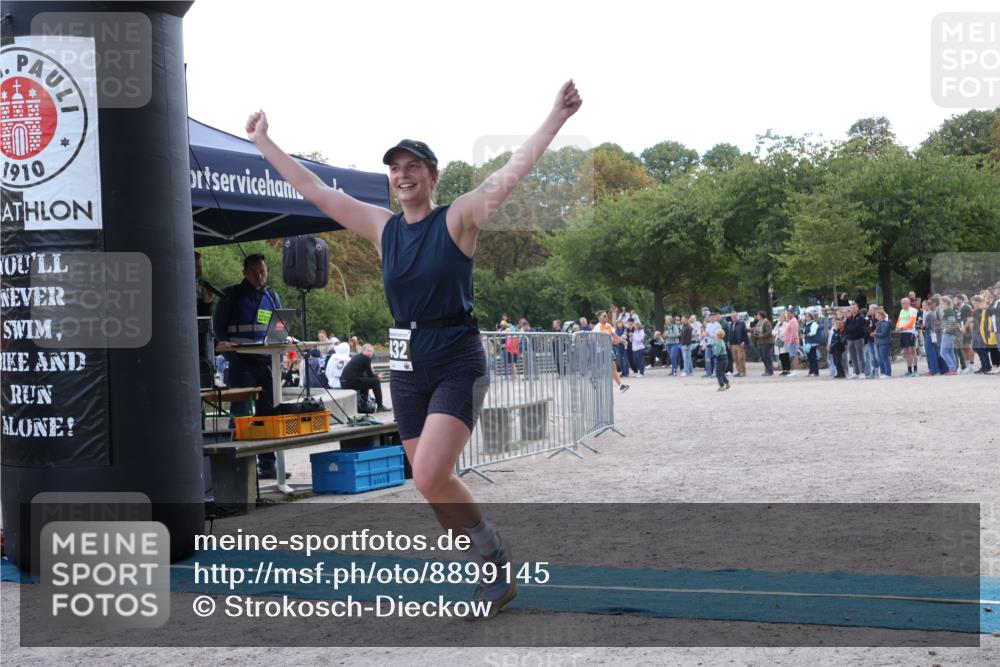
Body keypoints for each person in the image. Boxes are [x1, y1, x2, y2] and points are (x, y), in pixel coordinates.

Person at [244, 79, 583, 617]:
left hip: (456, 357)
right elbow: (315, 190)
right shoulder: (383, 228)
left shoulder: (459, 218)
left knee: (429, 473)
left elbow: (512, 172)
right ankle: (488, 570)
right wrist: (264, 142)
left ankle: (493, 555)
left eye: (413, 167)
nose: (402, 175)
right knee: (430, 483)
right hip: (405, 365)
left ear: (431, 176)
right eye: (395, 168)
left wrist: (555, 118)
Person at [213, 253, 283, 478]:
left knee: (269, 414)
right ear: (245, 272)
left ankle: (268, 465)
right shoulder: (231, 296)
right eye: (255, 271)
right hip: (241, 363)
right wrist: (226, 350)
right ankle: (237, 465)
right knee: (241, 414)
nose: (260, 276)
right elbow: (218, 329)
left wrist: (284, 339)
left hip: (266, 363)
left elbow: (279, 326)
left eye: (263, 271)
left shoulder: (272, 296)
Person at [340, 344, 391, 412]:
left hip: (345, 382)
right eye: (368, 351)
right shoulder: (365, 358)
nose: (370, 353)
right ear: (363, 350)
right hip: (350, 382)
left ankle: (364, 406)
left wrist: (374, 377)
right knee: (376, 382)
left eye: (371, 351)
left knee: (366, 382)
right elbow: (370, 375)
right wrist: (377, 377)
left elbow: (366, 376)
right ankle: (380, 406)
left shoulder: (358, 357)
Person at [593, 311, 629, 393]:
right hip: (601, 349)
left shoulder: (608, 325)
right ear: (599, 317)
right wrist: (619, 342)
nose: (606, 317)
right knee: (605, 367)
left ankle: (621, 386)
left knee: (612, 367)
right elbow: (607, 340)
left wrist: (622, 340)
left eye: (606, 315)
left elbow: (614, 335)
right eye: (604, 316)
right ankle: (594, 378)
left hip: (608, 348)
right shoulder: (597, 328)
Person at [895, 297, 918, 377]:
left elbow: (911, 322)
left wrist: (902, 328)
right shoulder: (902, 311)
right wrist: (897, 327)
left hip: (909, 332)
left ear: (908, 303)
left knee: (911, 351)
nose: (902, 305)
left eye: (903, 303)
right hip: (902, 333)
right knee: (905, 352)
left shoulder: (913, 310)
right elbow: (899, 321)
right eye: (901, 303)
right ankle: (909, 370)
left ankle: (915, 370)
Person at [752, 311, 775, 376]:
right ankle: (767, 370)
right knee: (763, 357)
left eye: (758, 315)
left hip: (767, 342)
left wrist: (762, 335)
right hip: (760, 342)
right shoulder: (759, 322)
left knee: (766, 356)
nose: (757, 316)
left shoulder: (766, 322)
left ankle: (770, 371)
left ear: (761, 316)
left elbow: (769, 331)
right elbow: (758, 330)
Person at [801, 312, 822, 377]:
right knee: (809, 358)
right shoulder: (806, 324)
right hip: (807, 343)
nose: (807, 318)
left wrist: (805, 335)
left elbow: (813, 332)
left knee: (813, 357)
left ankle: (815, 372)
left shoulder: (814, 323)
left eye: (808, 316)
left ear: (811, 317)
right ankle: (811, 371)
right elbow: (803, 331)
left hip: (812, 342)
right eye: (806, 316)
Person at [728, 312, 748, 377]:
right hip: (733, 344)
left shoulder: (741, 323)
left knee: (741, 358)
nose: (734, 317)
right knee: (735, 359)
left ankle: (743, 372)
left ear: (737, 316)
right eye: (732, 316)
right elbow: (730, 334)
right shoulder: (731, 324)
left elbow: (745, 333)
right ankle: (739, 371)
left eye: (735, 316)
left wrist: (744, 341)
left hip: (740, 344)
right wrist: (729, 342)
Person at [874, 308, 893, 377]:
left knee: (884, 358)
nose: (877, 316)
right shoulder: (879, 323)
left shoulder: (884, 323)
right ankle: (883, 372)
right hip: (879, 343)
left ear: (882, 315)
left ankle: (887, 373)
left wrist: (875, 334)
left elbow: (883, 333)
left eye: (878, 315)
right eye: (876, 315)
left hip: (884, 343)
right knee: (880, 359)